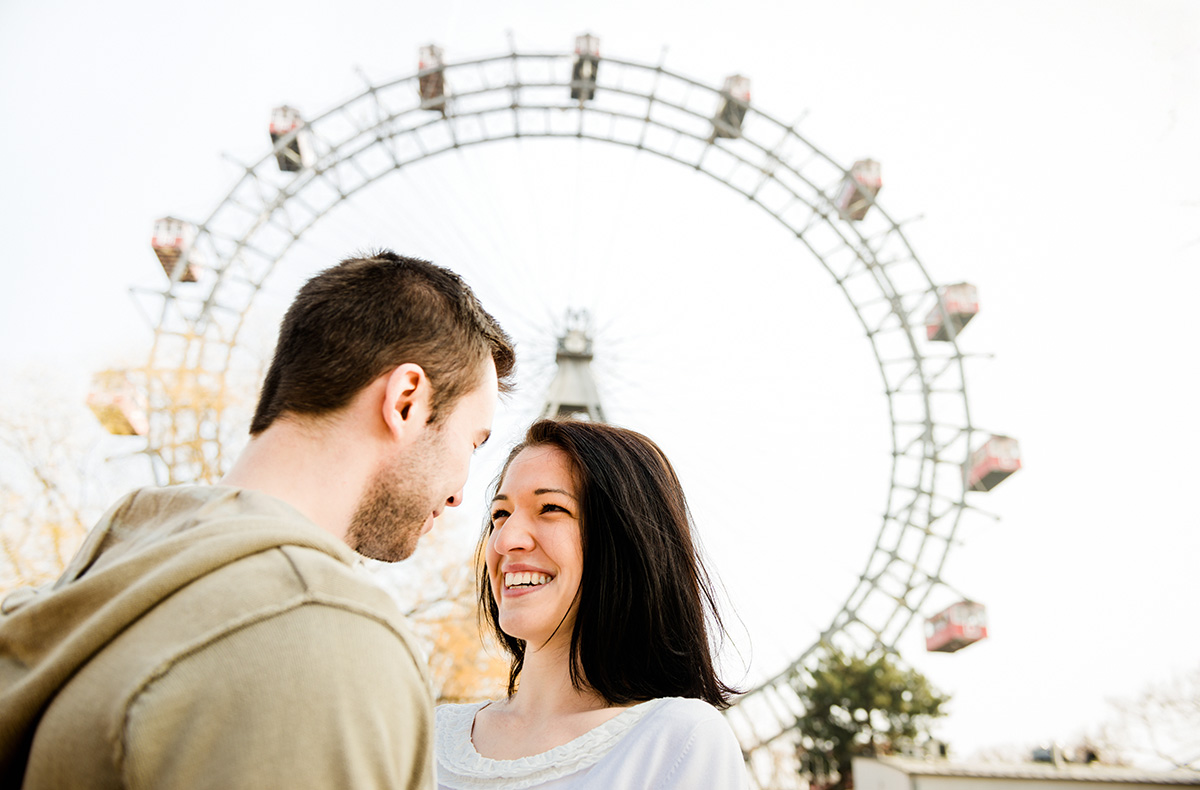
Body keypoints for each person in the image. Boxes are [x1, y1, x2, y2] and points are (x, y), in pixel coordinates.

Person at [0, 251, 515, 790]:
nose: (461, 495)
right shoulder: (324, 639)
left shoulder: (105, 578)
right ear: (405, 401)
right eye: (473, 442)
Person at [435, 419, 749, 789]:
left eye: (550, 508)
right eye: (500, 515)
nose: (505, 541)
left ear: (627, 540)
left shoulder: (679, 740)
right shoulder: (433, 736)